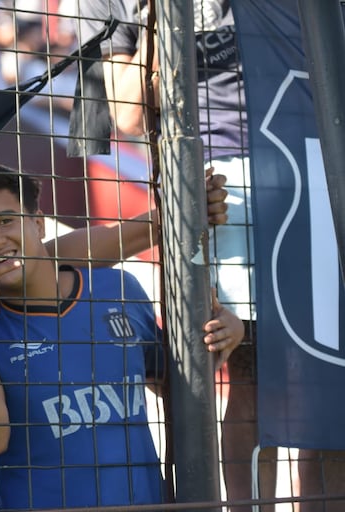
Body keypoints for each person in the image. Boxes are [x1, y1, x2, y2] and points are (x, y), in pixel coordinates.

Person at [0, 161, 244, 509]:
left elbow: (174, 384)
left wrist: (226, 333)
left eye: (6, 220)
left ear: (38, 223)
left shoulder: (118, 289)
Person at [74, 2, 271, 510]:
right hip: (218, 170)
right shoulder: (109, 3)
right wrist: (157, 19)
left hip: (301, 147)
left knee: (321, 361)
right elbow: (127, 112)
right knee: (246, 368)